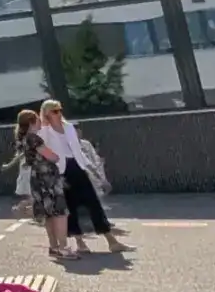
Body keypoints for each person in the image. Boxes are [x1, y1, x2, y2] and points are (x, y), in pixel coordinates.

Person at [39, 100, 132, 257]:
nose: (59, 113)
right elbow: (43, 154)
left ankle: (112, 241)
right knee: (71, 208)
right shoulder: (44, 132)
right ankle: (80, 243)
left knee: (93, 203)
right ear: (46, 113)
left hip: (77, 167)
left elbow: (78, 151)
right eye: (54, 111)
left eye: (60, 110)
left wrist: (92, 170)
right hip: (61, 172)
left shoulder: (68, 127)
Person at [17, 109, 69, 258]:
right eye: (38, 119)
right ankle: (63, 248)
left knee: (48, 213)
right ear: (32, 122)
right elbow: (51, 156)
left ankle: (54, 247)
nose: (40, 121)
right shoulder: (34, 138)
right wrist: (57, 156)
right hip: (48, 177)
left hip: (37, 178)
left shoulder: (25, 138)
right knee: (59, 212)